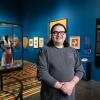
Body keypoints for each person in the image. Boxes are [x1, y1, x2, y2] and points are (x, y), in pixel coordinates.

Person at [37, 23, 84, 100]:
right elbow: (42, 73)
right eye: (55, 32)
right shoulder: (44, 50)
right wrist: (61, 87)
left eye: (62, 32)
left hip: (69, 94)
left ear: (65, 34)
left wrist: (72, 84)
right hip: (51, 95)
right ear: (51, 35)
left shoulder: (73, 51)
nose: (59, 35)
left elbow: (80, 70)